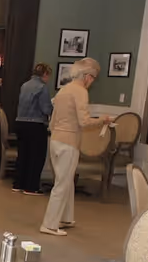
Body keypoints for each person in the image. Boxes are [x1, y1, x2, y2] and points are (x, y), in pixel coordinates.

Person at [41, 58, 112, 236]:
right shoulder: (80, 91)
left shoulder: (63, 90)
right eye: (93, 78)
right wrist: (103, 120)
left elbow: (53, 120)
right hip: (69, 142)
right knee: (62, 184)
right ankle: (49, 224)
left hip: (56, 140)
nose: (92, 82)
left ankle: (66, 217)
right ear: (88, 76)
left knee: (66, 180)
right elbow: (84, 121)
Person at [13, 63, 54, 195]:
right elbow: (46, 109)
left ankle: (18, 183)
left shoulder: (24, 85)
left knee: (23, 155)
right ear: (45, 74)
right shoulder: (42, 88)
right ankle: (31, 187)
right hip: (35, 124)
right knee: (36, 156)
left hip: (20, 122)